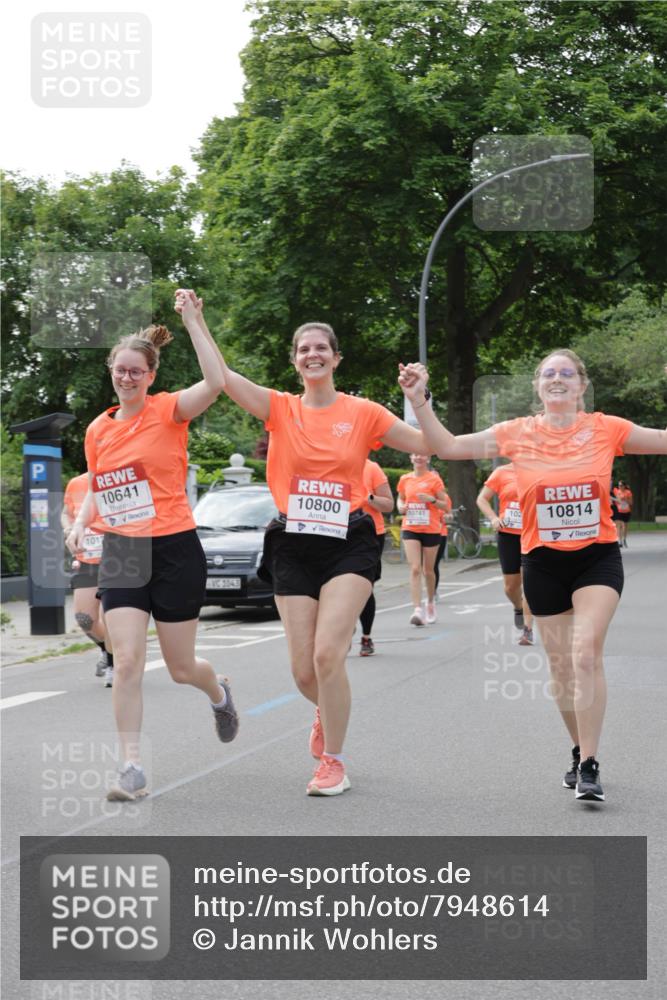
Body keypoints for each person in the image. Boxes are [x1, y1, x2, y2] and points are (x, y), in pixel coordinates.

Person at [177, 292, 433, 796]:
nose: (312, 354)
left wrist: (420, 397)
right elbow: (221, 378)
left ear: (336, 358)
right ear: (295, 361)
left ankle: (333, 762)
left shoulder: (363, 413)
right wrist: (194, 320)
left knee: (326, 656)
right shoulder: (279, 408)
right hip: (292, 540)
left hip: (349, 540)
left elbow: (429, 444)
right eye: (303, 349)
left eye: (321, 348)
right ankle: (325, 711)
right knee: (301, 669)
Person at [399, 348, 667, 804]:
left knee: (585, 655)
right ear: (538, 386)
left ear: (582, 386)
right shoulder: (516, 433)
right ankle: (579, 746)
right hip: (541, 561)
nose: (558, 379)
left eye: (567, 373)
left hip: (596, 558)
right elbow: (447, 447)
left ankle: (590, 765)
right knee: (561, 668)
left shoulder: (607, 428)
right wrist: (419, 398)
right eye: (549, 374)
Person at [67, 296, 238, 802]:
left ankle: (219, 691)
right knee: (126, 661)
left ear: (151, 374)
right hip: (123, 548)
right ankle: (131, 767)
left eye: (136, 371)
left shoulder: (169, 410)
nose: (127, 377)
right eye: (120, 370)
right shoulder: (98, 429)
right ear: (111, 372)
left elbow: (217, 382)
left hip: (174, 548)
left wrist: (194, 320)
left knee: (182, 667)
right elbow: (100, 484)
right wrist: (80, 523)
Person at [62, 472, 114, 683]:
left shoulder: (117, 479)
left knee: (109, 618)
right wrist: (69, 528)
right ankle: (106, 650)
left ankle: (113, 664)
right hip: (86, 559)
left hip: (116, 560)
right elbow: (66, 512)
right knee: (85, 620)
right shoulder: (77, 483)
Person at [477, 462, 534, 645]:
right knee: (511, 587)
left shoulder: (540, 468)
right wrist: (493, 518)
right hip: (508, 535)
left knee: (530, 583)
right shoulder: (501, 472)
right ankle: (518, 606)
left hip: (532, 535)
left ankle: (527, 630)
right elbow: (482, 499)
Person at [397, 455, 449, 625]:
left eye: (422, 455)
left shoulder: (434, 480)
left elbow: (446, 505)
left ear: (427, 458)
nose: (419, 457)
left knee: (429, 570)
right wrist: (400, 506)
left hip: (431, 528)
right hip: (410, 527)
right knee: (415, 568)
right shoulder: (405, 479)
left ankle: (431, 603)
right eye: (415, 454)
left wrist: (432, 500)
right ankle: (417, 610)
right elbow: (401, 497)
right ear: (411, 457)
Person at [358, 459, 394, 656]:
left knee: (363, 586)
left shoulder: (371, 468)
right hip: (336, 533)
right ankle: (343, 630)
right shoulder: (329, 464)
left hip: (370, 534)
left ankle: (366, 636)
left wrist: (368, 497)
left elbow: (388, 504)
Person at [433, 488, 452, 598]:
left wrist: (447, 517)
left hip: (440, 534)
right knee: (423, 565)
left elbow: (449, 514)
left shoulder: (444, 497)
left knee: (433, 564)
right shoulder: (419, 496)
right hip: (422, 532)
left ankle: (433, 591)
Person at [612, 480, 633, 547]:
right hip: (620, 511)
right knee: (619, 526)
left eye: (621, 485)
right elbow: (617, 501)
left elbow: (631, 503)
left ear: (624, 486)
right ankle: (620, 541)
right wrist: (617, 500)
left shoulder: (628, 492)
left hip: (626, 511)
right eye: (619, 485)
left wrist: (625, 499)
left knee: (625, 526)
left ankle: (624, 539)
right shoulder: (617, 492)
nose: (619, 487)